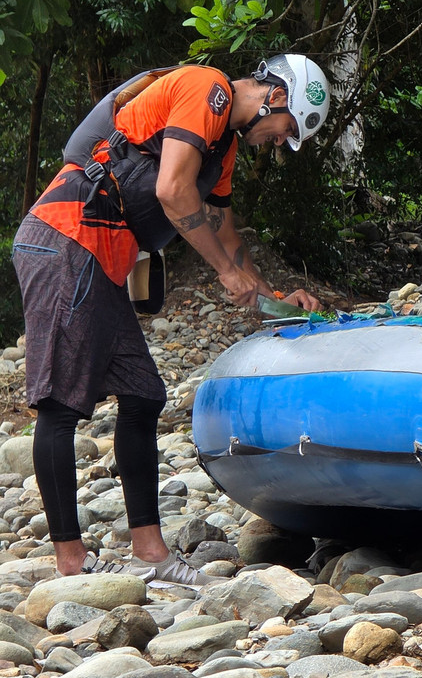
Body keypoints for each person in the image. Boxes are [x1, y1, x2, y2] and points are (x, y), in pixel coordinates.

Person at [12, 54, 330, 584]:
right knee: (60, 406)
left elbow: (224, 231)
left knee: (143, 396)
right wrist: (224, 272)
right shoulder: (206, 89)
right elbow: (172, 190)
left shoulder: (223, 148)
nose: (280, 142)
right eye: (286, 129)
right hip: (65, 239)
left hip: (102, 258)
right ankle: (70, 562)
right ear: (276, 96)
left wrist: (273, 297)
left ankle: (151, 555)